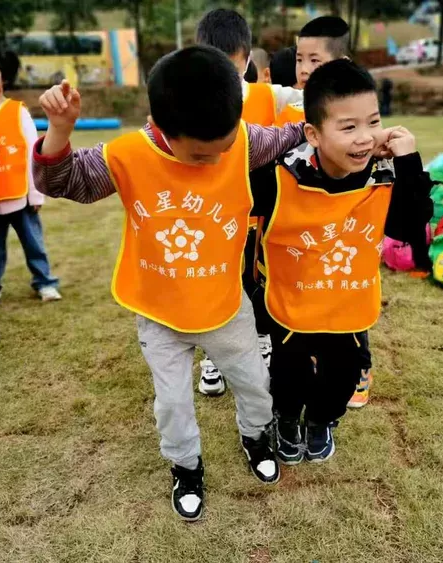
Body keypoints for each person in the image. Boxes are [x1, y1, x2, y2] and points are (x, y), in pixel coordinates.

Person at [33, 46, 308, 522]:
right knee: (173, 403)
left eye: (223, 148)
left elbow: (288, 137)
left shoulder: (240, 140)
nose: (215, 159)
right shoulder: (126, 154)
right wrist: (58, 131)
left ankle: (255, 436)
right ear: (158, 123)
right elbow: (65, 181)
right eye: (201, 153)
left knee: (255, 385)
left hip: (225, 304)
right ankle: (186, 466)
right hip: (159, 310)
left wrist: (337, 128)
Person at [253, 59, 433, 463]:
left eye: (373, 122)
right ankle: (285, 419)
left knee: (343, 375)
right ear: (313, 134)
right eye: (348, 127)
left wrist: (409, 163)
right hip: (292, 304)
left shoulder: (384, 173)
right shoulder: (281, 174)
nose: (364, 138)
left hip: (348, 304)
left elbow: (409, 227)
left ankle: (320, 422)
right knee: (289, 375)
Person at [194, 8, 304, 396]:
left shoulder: (266, 96)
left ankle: (261, 341)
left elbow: (312, 100)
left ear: (246, 59)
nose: (224, 74)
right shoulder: (186, 101)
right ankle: (213, 357)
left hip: (257, 211)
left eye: (233, 64)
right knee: (216, 282)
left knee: (256, 278)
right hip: (208, 214)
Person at [0, 50, 61, 307]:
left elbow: (34, 151)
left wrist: (36, 192)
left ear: (4, 76)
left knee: (34, 244)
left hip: (20, 195)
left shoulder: (17, 111)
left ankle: (45, 282)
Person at [274, 15, 351, 127]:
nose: (304, 70)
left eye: (314, 60)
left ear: (342, 64)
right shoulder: (289, 115)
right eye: (299, 60)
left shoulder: (357, 111)